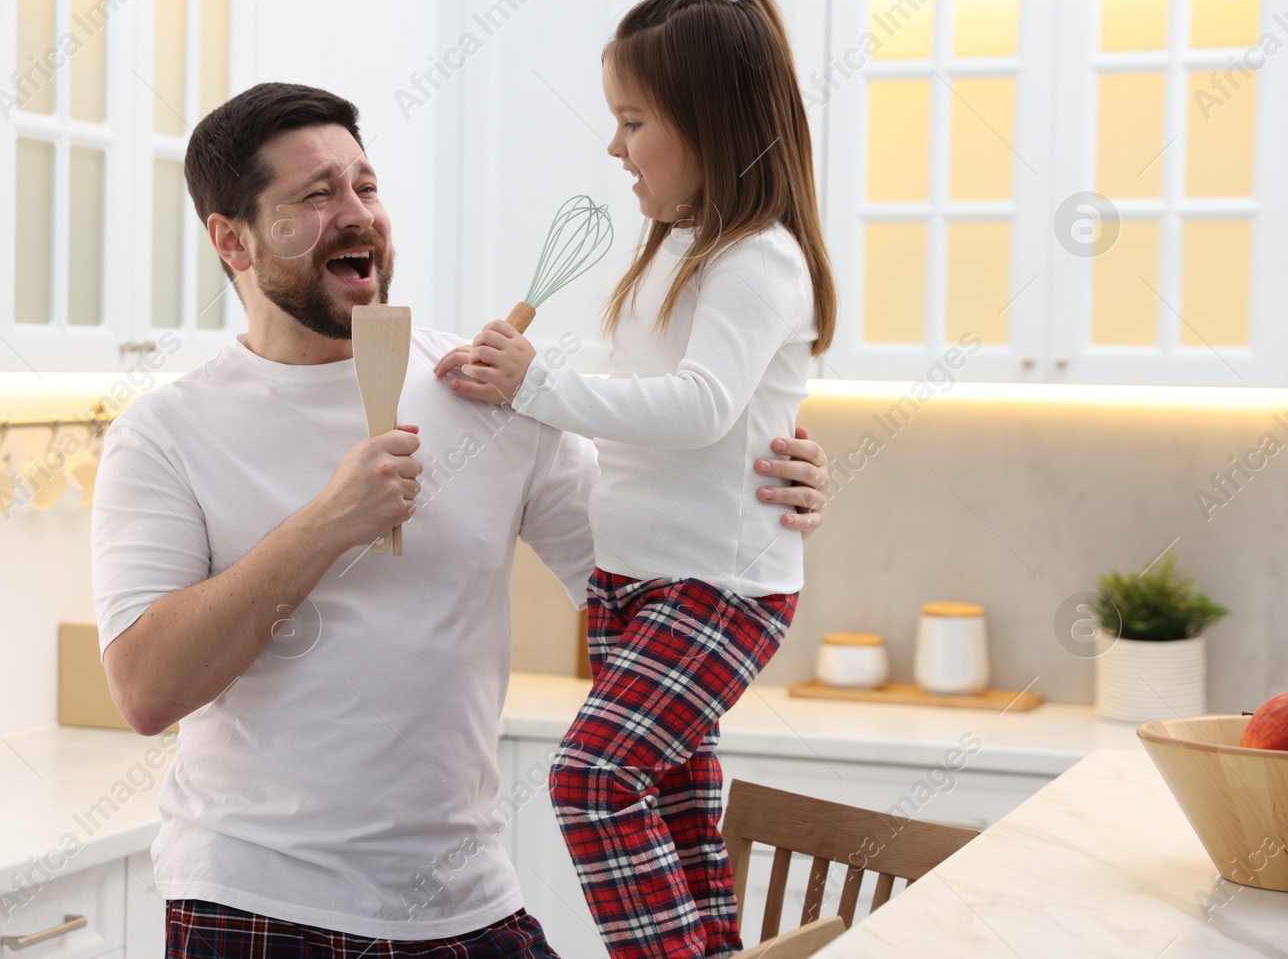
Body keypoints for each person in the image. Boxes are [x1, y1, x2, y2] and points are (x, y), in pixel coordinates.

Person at [91, 81, 832, 958]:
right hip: (255, 901)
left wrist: (749, 504)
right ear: (231, 238)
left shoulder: (481, 388)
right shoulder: (167, 432)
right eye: (315, 197)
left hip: (466, 900)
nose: (356, 214)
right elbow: (146, 688)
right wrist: (326, 523)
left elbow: (633, 564)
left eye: (365, 186)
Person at [439, 0, 836, 959]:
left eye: (631, 120)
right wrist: (522, 389)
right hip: (642, 584)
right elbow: (657, 424)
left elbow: (699, 409)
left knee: (591, 779)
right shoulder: (681, 252)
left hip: (716, 586)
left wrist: (534, 383)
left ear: (708, 122)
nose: (614, 147)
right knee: (676, 805)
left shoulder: (758, 260)